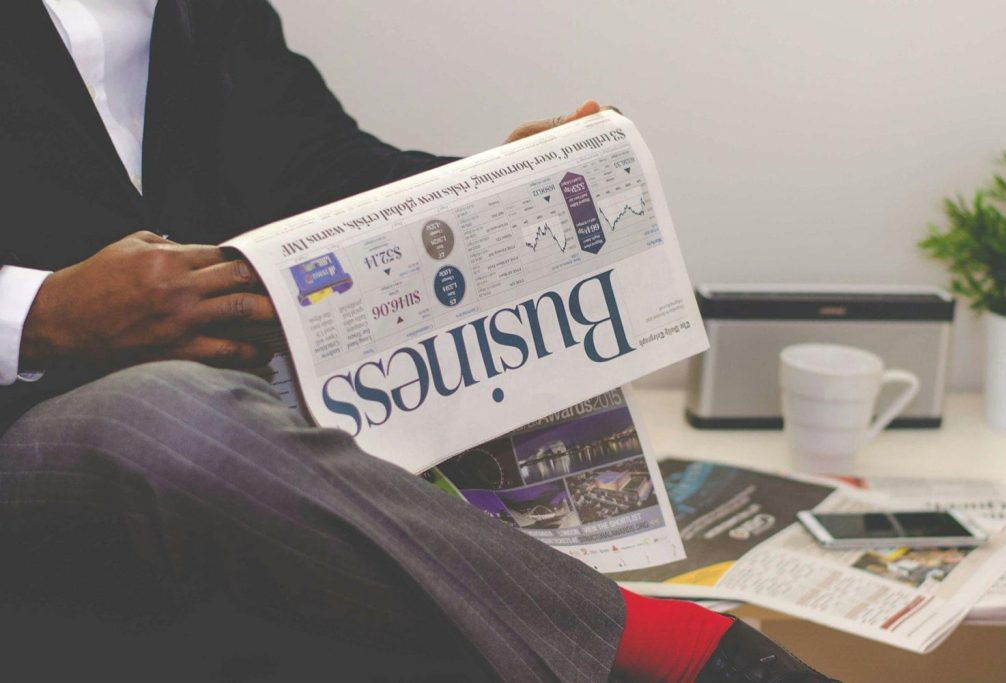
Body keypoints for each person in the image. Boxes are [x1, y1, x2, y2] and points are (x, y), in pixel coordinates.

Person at [0, 1, 840, 681]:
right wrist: (42, 311)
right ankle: (688, 654)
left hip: (243, 430)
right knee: (169, 417)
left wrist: (490, 189)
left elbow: (319, 169)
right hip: (53, 433)